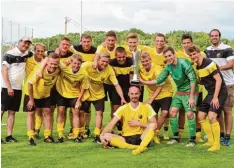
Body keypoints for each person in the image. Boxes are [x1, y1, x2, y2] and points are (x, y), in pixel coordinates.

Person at [140, 47, 199, 147]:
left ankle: (192, 139)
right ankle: (175, 138)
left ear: (174, 54)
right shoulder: (168, 67)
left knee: (189, 114)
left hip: (191, 91)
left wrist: (192, 97)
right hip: (180, 91)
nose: (168, 58)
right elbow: (158, 80)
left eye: (170, 55)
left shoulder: (184, 63)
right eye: (166, 57)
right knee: (172, 112)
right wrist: (144, 82)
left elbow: (193, 80)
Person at [79, 52, 127, 144]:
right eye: (103, 61)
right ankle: (81, 133)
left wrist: (122, 98)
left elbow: (116, 85)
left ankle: (97, 135)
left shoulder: (109, 70)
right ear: (98, 60)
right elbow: (76, 71)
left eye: (107, 62)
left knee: (99, 113)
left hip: (99, 94)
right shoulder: (87, 65)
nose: (104, 64)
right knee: (82, 112)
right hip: (86, 93)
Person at [188, 45, 228, 151]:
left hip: (220, 92)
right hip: (210, 93)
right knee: (200, 116)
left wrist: (215, 98)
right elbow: (202, 80)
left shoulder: (209, 63)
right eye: (190, 55)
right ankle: (210, 141)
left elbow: (218, 80)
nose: (193, 56)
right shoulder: (197, 66)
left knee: (211, 117)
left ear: (199, 52)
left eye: (194, 54)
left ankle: (217, 144)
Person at [100, 85, 157, 155]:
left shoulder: (147, 107)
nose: (134, 96)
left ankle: (141, 148)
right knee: (105, 136)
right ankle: (135, 147)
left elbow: (155, 124)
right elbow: (111, 124)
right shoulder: (123, 108)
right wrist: (101, 135)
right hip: (126, 138)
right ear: (129, 94)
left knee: (152, 125)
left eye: (136, 93)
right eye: (132, 94)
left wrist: (139, 124)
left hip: (142, 137)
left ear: (140, 94)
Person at [23, 53, 60, 145]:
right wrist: (31, 100)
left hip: (45, 94)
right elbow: (30, 84)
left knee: (47, 112)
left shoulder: (58, 70)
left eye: (55, 64)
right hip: (31, 93)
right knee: (31, 113)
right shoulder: (39, 71)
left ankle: (47, 136)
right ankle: (31, 137)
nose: (53, 66)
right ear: (47, 62)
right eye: (51, 63)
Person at [205, 29, 234, 146]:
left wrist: (216, 69)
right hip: (215, 85)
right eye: (212, 36)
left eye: (216, 35)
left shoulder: (227, 48)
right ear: (210, 37)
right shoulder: (207, 50)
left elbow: (231, 64)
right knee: (217, 112)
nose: (214, 37)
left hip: (228, 84)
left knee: (227, 111)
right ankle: (221, 134)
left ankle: (228, 136)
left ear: (220, 36)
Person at [1, 37, 33, 144]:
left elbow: (40, 53)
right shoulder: (10, 54)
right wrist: (9, 86)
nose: (26, 45)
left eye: (28, 43)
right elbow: (4, 70)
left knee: (12, 112)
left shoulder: (27, 54)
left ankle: (9, 136)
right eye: (24, 42)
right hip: (6, 87)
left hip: (18, 88)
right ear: (19, 42)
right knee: (1, 111)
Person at [176, 34, 206, 142]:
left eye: (188, 42)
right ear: (181, 44)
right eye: (184, 43)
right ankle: (179, 134)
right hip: (184, 89)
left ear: (192, 43)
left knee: (197, 111)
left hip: (198, 88)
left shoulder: (200, 54)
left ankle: (198, 135)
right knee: (182, 111)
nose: (186, 45)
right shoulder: (178, 54)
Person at [139, 52, 173, 144]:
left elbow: (160, 86)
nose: (145, 63)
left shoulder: (157, 69)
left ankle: (155, 132)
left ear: (150, 60)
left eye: (146, 61)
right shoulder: (140, 68)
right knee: (153, 115)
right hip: (152, 94)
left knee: (165, 112)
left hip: (165, 92)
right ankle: (152, 133)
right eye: (143, 61)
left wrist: (151, 99)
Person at [55, 54, 89, 143]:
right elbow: (52, 59)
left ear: (81, 64)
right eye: (74, 63)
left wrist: (78, 100)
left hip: (75, 95)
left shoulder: (84, 74)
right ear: (71, 62)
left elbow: (84, 88)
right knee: (61, 111)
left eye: (78, 64)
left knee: (76, 112)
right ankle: (60, 135)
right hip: (61, 93)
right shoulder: (64, 67)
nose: (76, 65)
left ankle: (76, 135)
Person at [69, 34, 97, 138]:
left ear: (91, 41)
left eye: (88, 41)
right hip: (75, 83)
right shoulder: (75, 49)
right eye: (84, 41)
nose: (86, 43)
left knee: (87, 107)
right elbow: (63, 48)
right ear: (81, 41)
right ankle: (73, 128)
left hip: (89, 83)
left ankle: (87, 128)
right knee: (72, 108)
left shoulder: (95, 51)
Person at [148, 33, 170, 139]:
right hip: (153, 88)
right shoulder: (150, 52)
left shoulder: (167, 53)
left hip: (166, 87)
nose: (159, 43)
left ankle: (157, 132)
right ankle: (155, 133)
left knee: (165, 112)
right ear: (154, 41)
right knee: (154, 114)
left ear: (165, 42)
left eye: (162, 41)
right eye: (157, 41)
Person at [108, 47, 133, 134]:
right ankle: (118, 129)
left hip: (129, 88)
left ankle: (126, 129)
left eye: (123, 57)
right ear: (115, 56)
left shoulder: (131, 62)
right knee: (115, 109)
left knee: (128, 109)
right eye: (119, 57)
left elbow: (133, 76)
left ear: (126, 55)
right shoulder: (111, 63)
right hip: (116, 88)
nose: (121, 59)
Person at [25, 43, 46, 139]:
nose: (40, 53)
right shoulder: (27, 60)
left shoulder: (46, 61)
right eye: (38, 50)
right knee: (30, 113)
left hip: (41, 91)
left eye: (42, 51)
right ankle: (31, 134)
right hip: (29, 90)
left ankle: (37, 130)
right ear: (34, 51)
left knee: (39, 112)